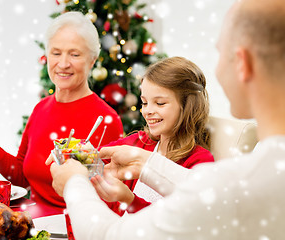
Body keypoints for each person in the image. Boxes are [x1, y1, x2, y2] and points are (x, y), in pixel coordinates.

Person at [48, 0, 285, 238]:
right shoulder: (250, 181)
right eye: (145, 102)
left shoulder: (232, 181)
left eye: (220, 53)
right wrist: (140, 163)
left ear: (243, 63)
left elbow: (112, 236)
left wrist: (73, 183)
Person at [0, 11, 123, 217]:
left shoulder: (107, 120)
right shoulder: (41, 108)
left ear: (92, 60)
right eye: (56, 52)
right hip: (33, 226)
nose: (63, 63)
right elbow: (23, 178)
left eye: (75, 54)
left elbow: (110, 199)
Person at [91, 56, 214, 214]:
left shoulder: (200, 162)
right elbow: (95, 155)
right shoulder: (140, 141)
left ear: (188, 106)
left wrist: (129, 199)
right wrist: (77, 152)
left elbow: (174, 223)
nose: (147, 111)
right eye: (144, 102)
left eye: (160, 103)